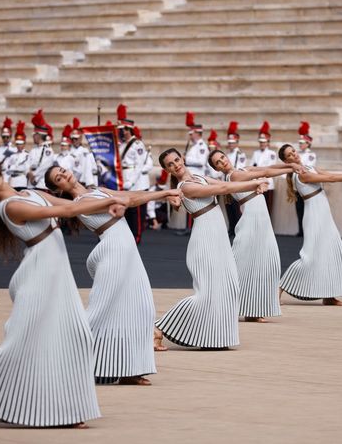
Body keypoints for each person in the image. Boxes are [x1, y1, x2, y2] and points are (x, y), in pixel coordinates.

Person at [0, 166, 128, 429]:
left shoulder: (29, 193)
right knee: (18, 345)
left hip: (57, 273)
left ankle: (65, 410)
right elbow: (67, 211)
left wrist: (117, 199)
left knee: (77, 337)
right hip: (39, 276)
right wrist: (113, 200)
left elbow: (77, 202)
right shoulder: (10, 206)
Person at [45, 166, 181, 384]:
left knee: (141, 308)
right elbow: (126, 201)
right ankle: (55, 355)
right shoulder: (78, 203)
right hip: (112, 250)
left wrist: (166, 193)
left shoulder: (95, 189)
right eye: (58, 178)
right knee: (100, 311)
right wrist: (162, 193)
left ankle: (130, 370)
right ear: (58, 189)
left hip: (127, 249)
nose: (64, 175)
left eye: (62, 171)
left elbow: (131, 197)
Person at [154, 148, 268, 350]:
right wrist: (255, 183)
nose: (175, 165)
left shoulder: (198, 176)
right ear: (167, 170)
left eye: (176, 160)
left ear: (182, 158)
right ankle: (159, 329)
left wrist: (254, 183)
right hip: (204, 238)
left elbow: (226, 184)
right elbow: (222, 190)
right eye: (170, 165)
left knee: (228, 285)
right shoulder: (185, 187)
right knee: (206, 293)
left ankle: (213, 336)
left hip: (218, 235)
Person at [209, 149, 301, 322]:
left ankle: (253, 308)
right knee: (243, 264)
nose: (222, 162)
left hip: (262, 221)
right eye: (218, 163)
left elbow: (269, 167)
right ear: (217, 169)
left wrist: (290, 165)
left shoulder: (243, 170)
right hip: (251, 221)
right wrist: (291, 168)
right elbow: (265, 172)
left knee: (264, 263)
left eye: (222, 157)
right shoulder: (233, 177)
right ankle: (220, 303)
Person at [278, 144, 342, 305]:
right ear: (286, 161)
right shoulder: (301, 174)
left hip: (323, 212)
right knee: (309, 258)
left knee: (336, 252)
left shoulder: (308, 166)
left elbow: (328, 174)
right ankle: (280, 287)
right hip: (314, 215)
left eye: (294, 151)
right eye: (290, 155)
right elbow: (328, 179)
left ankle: (329, 295)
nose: (294, 155)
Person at [117, 105, 151, 243]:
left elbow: (139, 165)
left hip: (134, 181)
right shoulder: (123, 144)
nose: (120, 132)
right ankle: (128, 235)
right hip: (125, 177)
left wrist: (131, 181)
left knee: (136, 212)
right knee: (128, 210)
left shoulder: (137, 144)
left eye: (122, 130)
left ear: (128, 130)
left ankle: (136, 236)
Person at [176, 111, 209, 236]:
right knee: (189, 203)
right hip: (190, 178)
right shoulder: (194, 146)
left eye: (192, 133)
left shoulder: (201, 146)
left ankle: (191, 228)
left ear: (197, 133)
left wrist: (185, 160)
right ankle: (188, 227)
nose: (190, 136)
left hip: (195, 178)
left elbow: (201, 162)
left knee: (193, 203)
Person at [224, 121, 247, 236]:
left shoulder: (240, 155)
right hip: (227, 182)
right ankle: (231, 228)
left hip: (235, 183)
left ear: (237, 142)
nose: (231, 144)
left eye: (233, 142)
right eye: (229, 142)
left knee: (236, 209)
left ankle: (238, 229)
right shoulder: (228, 154)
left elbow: (240, 169)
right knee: (229, 207)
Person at [250, 121, 277, 216]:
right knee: (258, 209)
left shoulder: (272, 154)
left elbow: (269, 168)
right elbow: (251, 167)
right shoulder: (255, 153)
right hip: (257, 184)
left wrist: (257, 169)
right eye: (261, 142)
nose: (262, 144)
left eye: (264, 142)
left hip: (267, 183)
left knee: (268, 209)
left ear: (268, 142)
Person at [295, 121, 317, 237]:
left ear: (308, 143)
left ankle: (308, 230)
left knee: (308, 209)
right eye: (300, 142)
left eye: (302, 142)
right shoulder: (297, 154)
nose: (300, 144)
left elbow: (307, 167)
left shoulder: (311, 155)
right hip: (297, 184)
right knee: (299, 209)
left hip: (307, 184)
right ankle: (301, 230)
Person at [27, 109, 55, 191]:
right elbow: (28, 163)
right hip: (31, 184)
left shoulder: (48, 150)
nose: (33, 137)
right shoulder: (33, 150)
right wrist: (28, 172)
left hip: (41, 184)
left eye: (34, 135)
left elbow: (45, 166)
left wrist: (35, 176)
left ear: (38, 136)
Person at [5, 120, 30, 191]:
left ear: (24, 144)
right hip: (12, 182)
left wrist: (14, 168)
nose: (19, 146)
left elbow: (25, 169)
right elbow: (7, 168)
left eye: (21, 144)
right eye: (17, 144)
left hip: (22, 182)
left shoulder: (27, 155)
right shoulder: (12, 155)